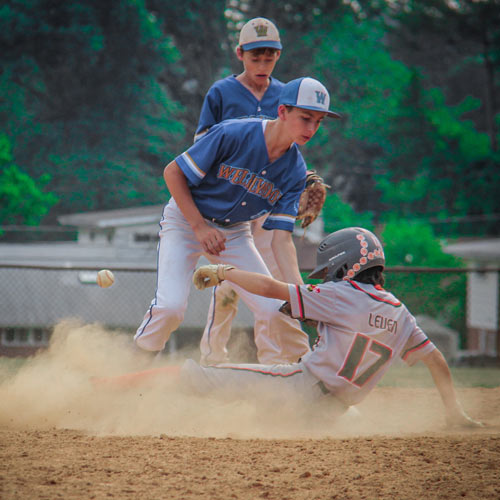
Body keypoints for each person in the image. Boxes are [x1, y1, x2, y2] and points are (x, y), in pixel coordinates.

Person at [183, 227, 483, 427]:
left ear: (345, 265)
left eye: (331, 270)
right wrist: (454, 412)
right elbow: (436, 360)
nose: (329, 278)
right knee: (266, 418)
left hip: (301, 389)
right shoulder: (400, 314)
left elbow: (269, 286)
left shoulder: (341, 294)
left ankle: (140, 381)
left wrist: (225, 272)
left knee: (203, 378)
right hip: (333, 412)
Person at [134, 76, 341, 363]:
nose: (312, 128)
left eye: (318, 121)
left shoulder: (295, 171)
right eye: (305, 118)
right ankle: (132, 369)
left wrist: (301, 295)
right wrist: (199, 226)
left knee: (276, 309)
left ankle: (297, 382)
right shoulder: (234, 133)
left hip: (234, 233)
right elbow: (173, 172)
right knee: (171, 308)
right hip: (186, 221)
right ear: (282, 111)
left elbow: (282, 241)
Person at [195, 17, 286, 365]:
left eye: (269, 56)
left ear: (278, 54)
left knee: (270, 284)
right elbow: (201, 145)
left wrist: (301, 183)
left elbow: (292, 145)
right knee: (228, 285)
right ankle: (212, 356)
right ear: (240, 54)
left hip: (266, 205)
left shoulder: (285, 95)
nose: (262, 63)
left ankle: (273, 363)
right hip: (227, 205)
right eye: (255, 56)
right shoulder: (221, 93)